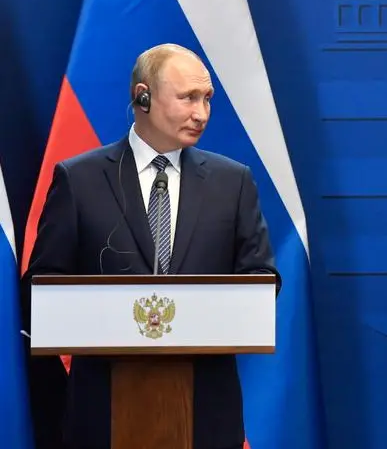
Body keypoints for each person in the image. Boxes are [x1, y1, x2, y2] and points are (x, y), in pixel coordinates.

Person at [21, 43, 281, 449]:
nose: (202, 113)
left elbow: (260, 276)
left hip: (206, 413)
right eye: (188, 98)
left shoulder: (233, 183)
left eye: (207, 99)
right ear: (142, 97)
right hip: (103, 411)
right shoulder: (80, 179)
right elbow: (43, 282)